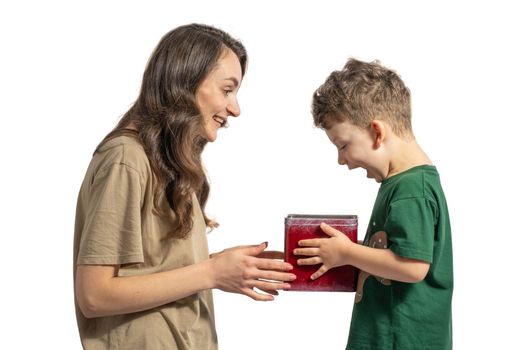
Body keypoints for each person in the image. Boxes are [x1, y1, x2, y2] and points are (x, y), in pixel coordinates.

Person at [73, 23, 296, 350]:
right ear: (186, 82)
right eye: (227, 89)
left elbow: (153, 270)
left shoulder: (166, 162)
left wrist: (228, 266)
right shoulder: (126, 159)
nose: (235, 108)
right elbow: (94, 295)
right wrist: (212, 273)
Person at [294, 58, 453, 349]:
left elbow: (413, 267)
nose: (342, 160)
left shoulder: (410, 189)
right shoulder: (400, 183)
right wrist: (340, 257)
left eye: (343, 145)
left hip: (399, 341)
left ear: (377, 133)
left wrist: (347, 251)